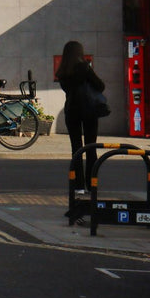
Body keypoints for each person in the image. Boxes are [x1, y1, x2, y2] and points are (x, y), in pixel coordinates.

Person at [56, 40, 105, 204]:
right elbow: (100, 85)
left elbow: (67, 90)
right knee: (91, 147)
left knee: (76, 148)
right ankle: (92, 184)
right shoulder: (84, 67)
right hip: (89, 110)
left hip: (71, 111)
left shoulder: (62, 71)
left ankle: (78, 185)